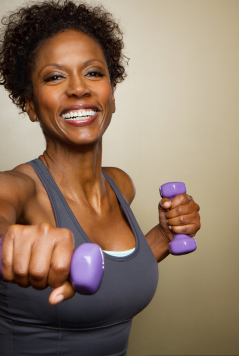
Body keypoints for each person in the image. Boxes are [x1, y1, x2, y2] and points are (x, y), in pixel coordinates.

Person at [0, 1, 201, 355]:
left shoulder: (120, 185)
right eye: (55, 76)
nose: (79, 88)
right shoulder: (20, 189)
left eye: (93, 73)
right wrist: (12, 245)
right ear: (30, 104)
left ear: (111, 95)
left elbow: (109, 272)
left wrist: (162, 236)